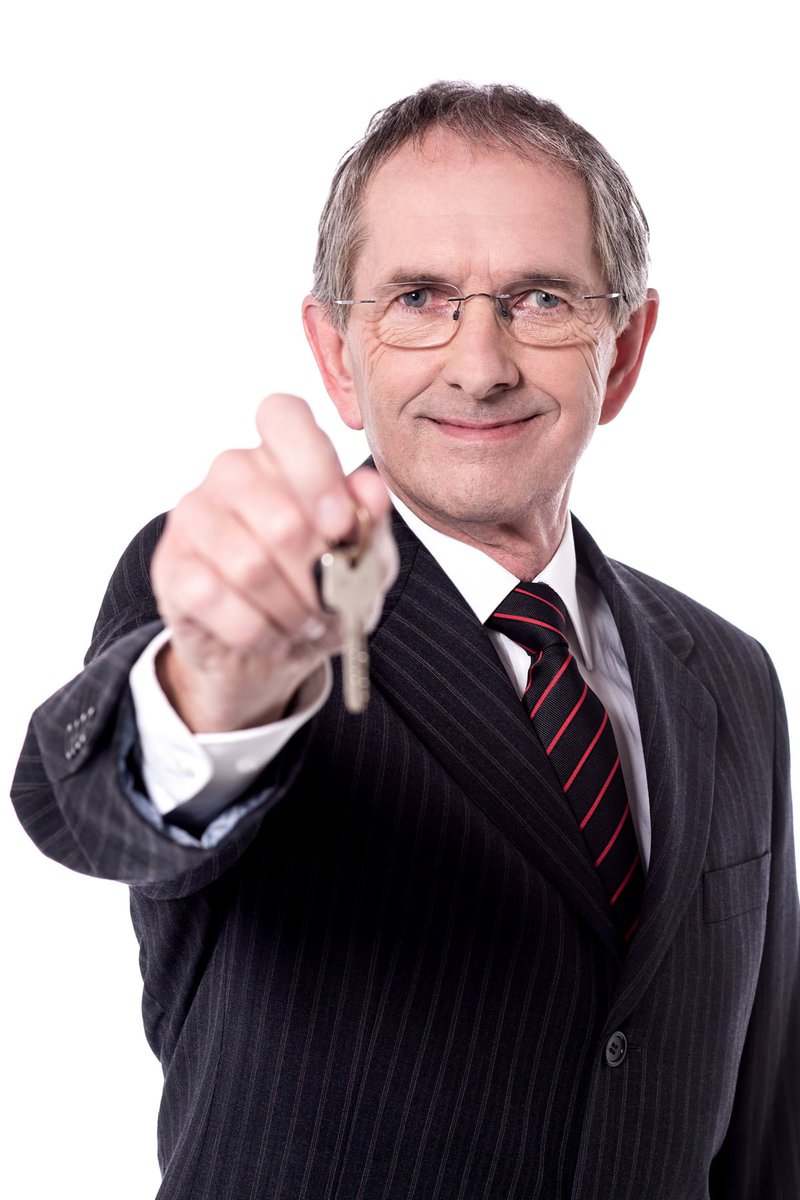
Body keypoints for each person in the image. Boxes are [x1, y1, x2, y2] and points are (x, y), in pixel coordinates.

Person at [11, 81, 799, 1199]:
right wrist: (217, 690)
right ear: (338, 354)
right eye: (418, 297)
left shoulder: (729, 675)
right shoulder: (250, 594)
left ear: (622, 351)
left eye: (539, 299)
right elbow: (94, 807)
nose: (480, 363)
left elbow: (762, 1124)